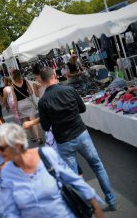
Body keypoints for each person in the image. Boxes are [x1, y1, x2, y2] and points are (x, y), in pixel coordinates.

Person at [38, 67, 116, 210]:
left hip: (64, 140)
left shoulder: (43, 101)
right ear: (55, 76)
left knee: (74, 177)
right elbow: (82, 109)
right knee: (97, 166)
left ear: (42, 81)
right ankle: (110, 199)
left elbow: (45, 126)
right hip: (81, 134)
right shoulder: (68, 90)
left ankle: (86, 206)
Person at [0, 123, 105, 218]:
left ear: (17, 145)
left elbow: (74, 180)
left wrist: (97, 208)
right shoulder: (6, 173)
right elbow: (10, 210)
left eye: (1, 148)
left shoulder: (46, 155)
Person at [12, 69, 41, 143]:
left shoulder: (12, 85)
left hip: (20, 105)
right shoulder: (25, 81)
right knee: (33, 120)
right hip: (28, 102)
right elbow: (31, 92)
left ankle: (32, 137)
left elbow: (14, 98)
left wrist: (16, 110)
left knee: (26, 121)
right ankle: (38, 137)